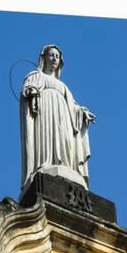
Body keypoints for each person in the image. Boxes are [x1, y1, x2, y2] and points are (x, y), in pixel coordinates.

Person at [20, 44, 96, 190]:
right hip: (45, 112)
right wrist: (31, 92)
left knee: (65, 140)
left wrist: (82, 112)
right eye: (51, 55)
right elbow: (27, 88)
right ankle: (46, 163)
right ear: (44, 58)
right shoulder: (36, 76)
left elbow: (73, 106)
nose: (54, 58)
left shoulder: (63, 86)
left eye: (57, 56)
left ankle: (66, 166)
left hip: (64, 116)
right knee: (47, 137)